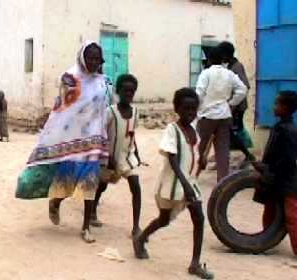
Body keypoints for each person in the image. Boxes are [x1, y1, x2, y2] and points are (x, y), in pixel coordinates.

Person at [26, 41, 111, 243]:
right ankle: (55, 202)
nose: (94, 62)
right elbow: (63, 109)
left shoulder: (103, 82)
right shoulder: (69, 78)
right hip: (72, 139)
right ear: (82, 57)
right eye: (90, 57)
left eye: (97, 58)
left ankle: (85, 228)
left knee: (90, 183)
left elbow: (106, 109)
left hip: (94, 140)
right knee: (68, 182)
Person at [133, 88, 214, 279]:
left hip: (190, 182)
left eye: (194, 109)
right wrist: (185, 184)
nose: (190, 113)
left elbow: (194, 154)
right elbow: (172, 158)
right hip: (174, 185)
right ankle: (142, 237)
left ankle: (195, 263)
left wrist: (202, 160)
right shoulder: (172, 130)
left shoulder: (194, 131)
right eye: (186, 109)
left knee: (199, 218)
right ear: (176, 108)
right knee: (164, 219)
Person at [91, 74, 144, 238]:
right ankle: (92, 211)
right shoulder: (110, 112)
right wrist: (107, 156)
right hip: (110, 158)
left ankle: (136, 227)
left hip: (126, 158)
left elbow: (131, 134)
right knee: (102, 185)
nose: (129, 94)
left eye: (132, 91)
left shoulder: (135, 112)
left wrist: (136, 152)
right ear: (118, 91)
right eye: (125, 90)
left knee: (136, 186)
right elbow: (101, 134)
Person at [253, 91, 297, 260]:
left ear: (286, 108)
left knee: (291, 215)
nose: (274, 107)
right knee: (270, 209)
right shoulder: (280, 127)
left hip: (287, 179)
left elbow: (289, 158)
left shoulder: (288, 130)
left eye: (277, 104)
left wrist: (268, 167)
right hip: (276, 177)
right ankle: (267, 240)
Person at [196, 46, 247, 182]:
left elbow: (199, 93)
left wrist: (198, 108)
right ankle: (222, 182)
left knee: (200, 146)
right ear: (222, 59)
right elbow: (242, 90)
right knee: (223, 150)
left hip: (207, 115)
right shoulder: (229, 74)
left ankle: (194, 174)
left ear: (210, 60)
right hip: (224, 115)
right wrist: (231, 103)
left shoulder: (206, 74)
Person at [218, 41, 255, 168]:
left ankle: (249, 156)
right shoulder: (230, 66)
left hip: (237, 107)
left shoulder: (237, 67)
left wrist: (232, 106)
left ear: (226, 54)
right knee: (230, 132)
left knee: (233, 132)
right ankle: (225, 157)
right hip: (233, 106)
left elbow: (245, 86)